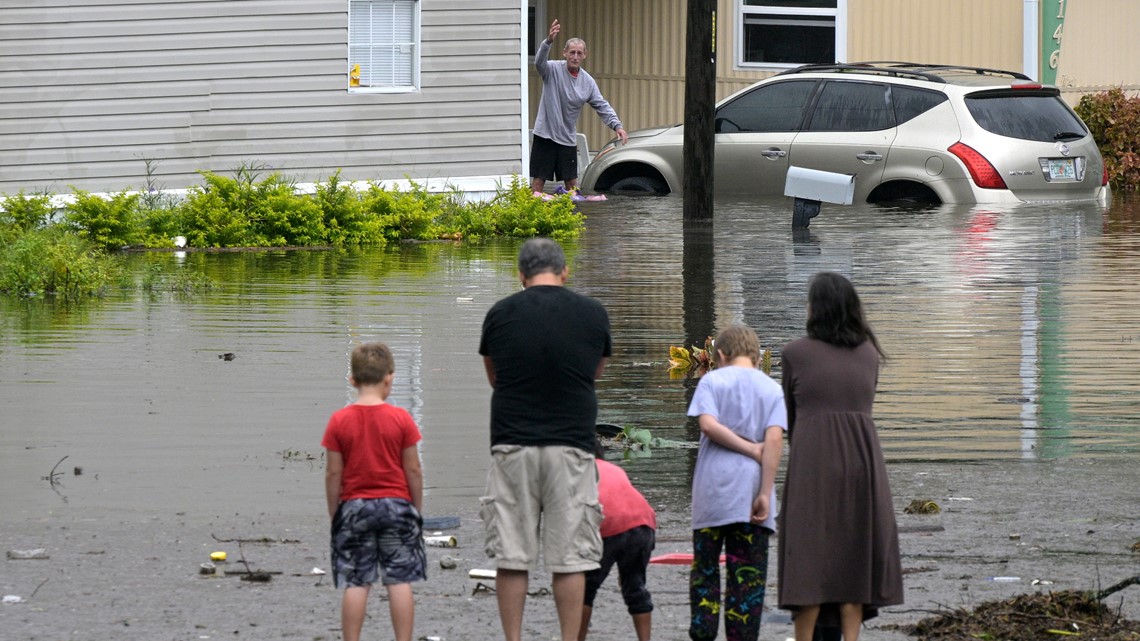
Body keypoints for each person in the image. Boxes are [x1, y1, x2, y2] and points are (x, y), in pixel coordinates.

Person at [478, 237, 613, 641]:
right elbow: (597, 372)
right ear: (564, 271)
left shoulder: (500, 314)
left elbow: (494, 377)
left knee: (512, 556)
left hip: (512, 443)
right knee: (570, 558)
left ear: (521, 275)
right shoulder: (592, 314)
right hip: (571, 444)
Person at [777, 272, 904, 641]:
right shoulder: (868, 353)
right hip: (863, 460)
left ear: (817, 308)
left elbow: (790, 417)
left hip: (812, 460)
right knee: (854, 554)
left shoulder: (794, 353)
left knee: (808, 557)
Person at [686, 324, 786, 641]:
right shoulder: (772, 389)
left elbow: (707, 425)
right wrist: (766, 493)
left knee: (705, 572)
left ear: (720, 356)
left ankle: (703, 633)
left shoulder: (712, 380)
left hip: (711, 495)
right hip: (752, 493)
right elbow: (774, 442)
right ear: (758, 360)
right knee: (748, 577)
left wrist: (745, 447)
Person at [322, 342, 425, 641]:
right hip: (397, 505)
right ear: (389, 378)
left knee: (356, 580)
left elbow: (333, 472)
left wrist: (335, 511)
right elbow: (414, 470)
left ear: (352, 380)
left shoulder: (339, 421)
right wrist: (415, 509)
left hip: (354, 506)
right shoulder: (401, 419)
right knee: (399, 579)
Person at [531, 19, 629, 195]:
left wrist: (617, 126)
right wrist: (548, 41)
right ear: (565, 53)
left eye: (579, 53)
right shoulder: (552, 70)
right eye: (572, 52)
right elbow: (539, 63)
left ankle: (572, 217)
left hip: (567, 138)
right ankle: (532, 214)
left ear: (584, 55)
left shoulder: (587, 82)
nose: (575, 57)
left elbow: (601, 105)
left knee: (572, 184)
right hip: (545, 134)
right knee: (538, 182)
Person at [579, 439, 657, 641]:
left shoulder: (579, 471)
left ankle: (575, 638)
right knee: (635, 586)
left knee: (585, 589)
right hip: (643, 524)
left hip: (609, 525)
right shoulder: (615, 469)